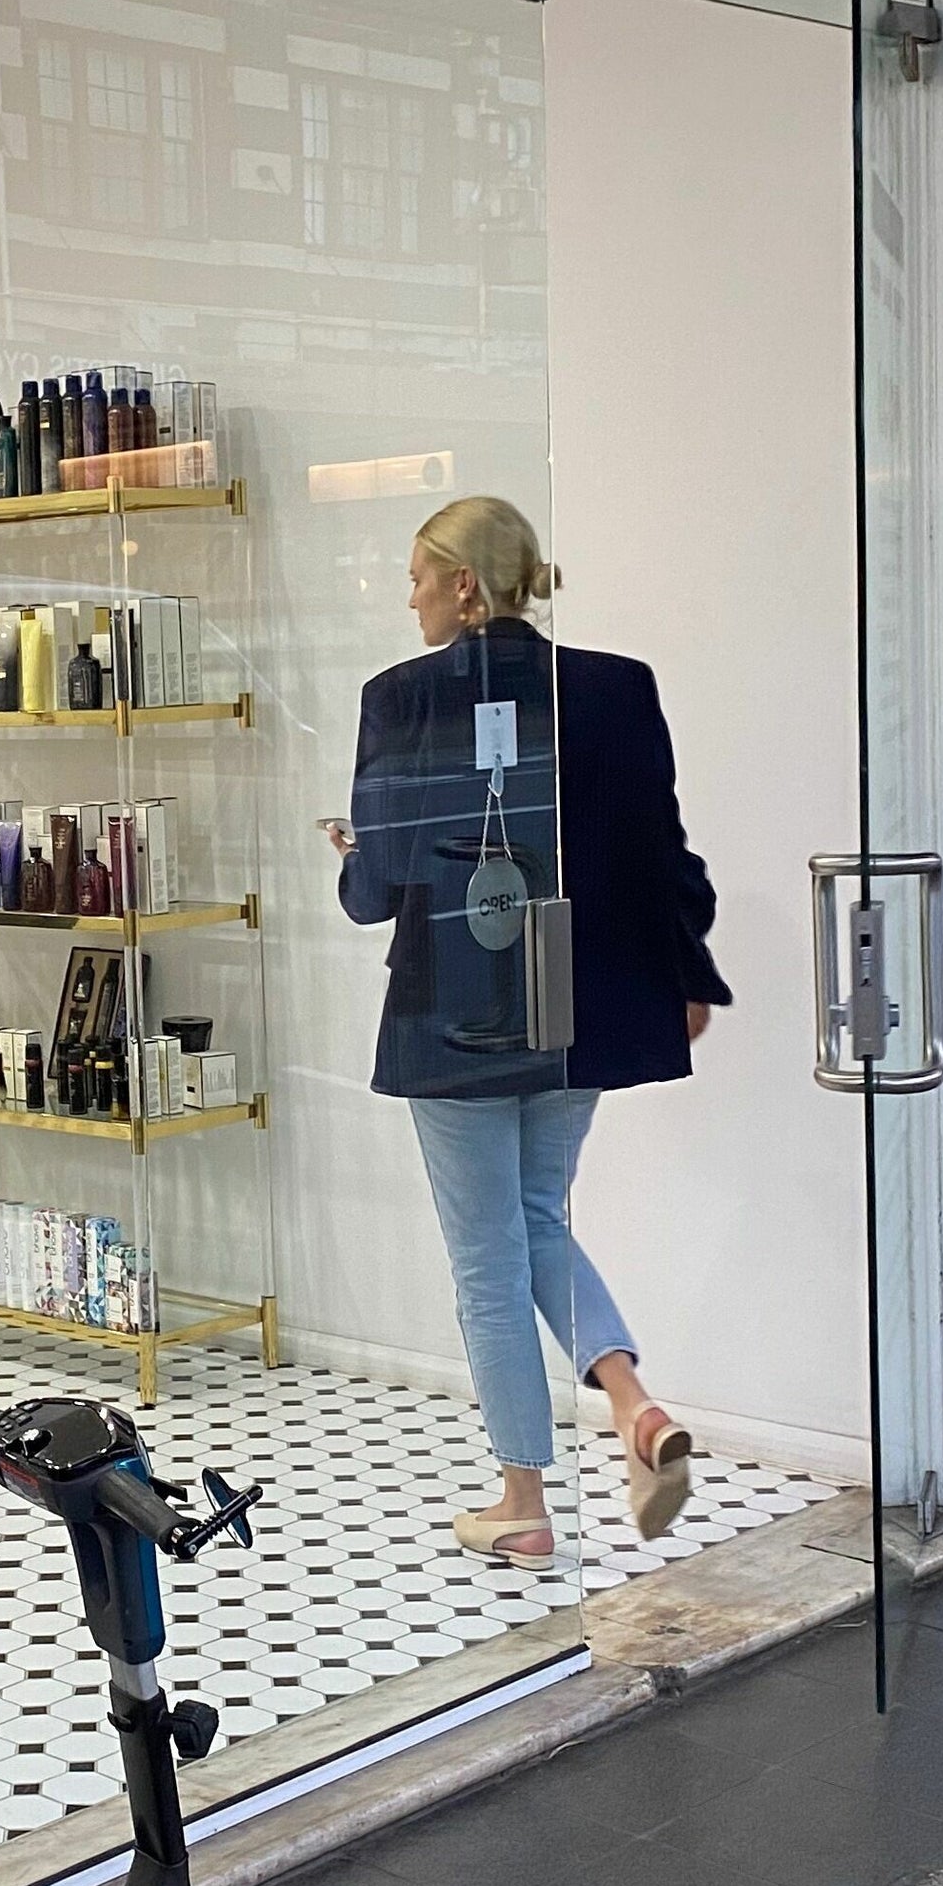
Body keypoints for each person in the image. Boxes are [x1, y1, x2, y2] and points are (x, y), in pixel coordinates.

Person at [331, 495, 728, 1569]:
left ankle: (523, 1501)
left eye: (419, 575)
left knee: (488, 1261)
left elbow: (377, 890)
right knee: (539, 1217)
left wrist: (352, 854)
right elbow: (665, 857)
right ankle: (633, 1404)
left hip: (449, 1016)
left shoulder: (400, 698)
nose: (410, 597)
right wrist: (686, 975)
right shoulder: (615, 686)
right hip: (571, 1005)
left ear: (464, 584)